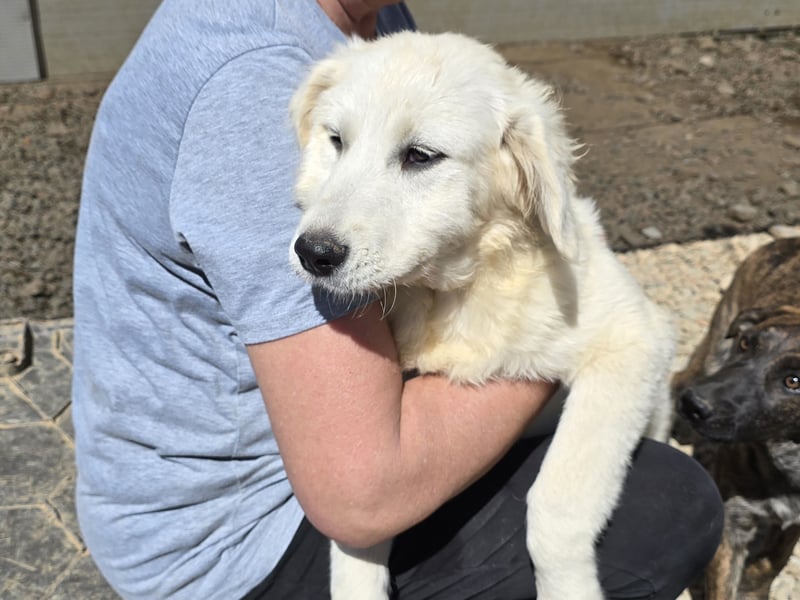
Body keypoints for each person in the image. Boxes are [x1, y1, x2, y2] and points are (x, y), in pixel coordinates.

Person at [71, 1, 724, 598]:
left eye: (417, 156)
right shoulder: (252, 76)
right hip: (231, 537)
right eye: (337, 143)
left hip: (283, 475)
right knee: (664, 506)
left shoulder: (373, 25)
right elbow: (361, 499)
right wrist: (574, 334)